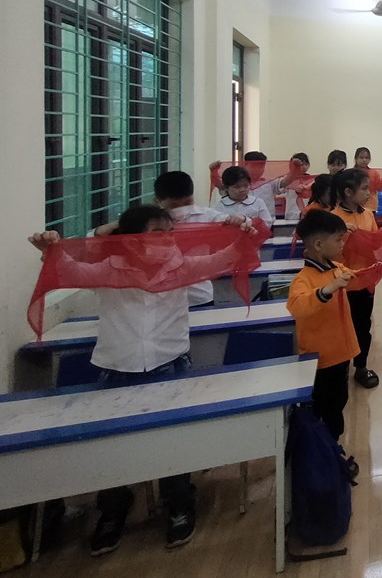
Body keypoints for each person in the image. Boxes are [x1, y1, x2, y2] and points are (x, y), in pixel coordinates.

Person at [27, 206, 252, 555]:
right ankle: (113, 510)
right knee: (113, 447)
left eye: (169, 233)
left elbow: (225, 258)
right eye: (156, 233)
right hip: (118, 368)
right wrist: (52, 250)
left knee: (173, 441)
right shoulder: (110, 268)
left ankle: (178, 503)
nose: (166, 240)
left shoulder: (180, 265)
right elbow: (70, 270)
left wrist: (244, 232)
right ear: (131, 240)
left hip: (171, 364)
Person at [287, 209, 360, 441]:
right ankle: (325, 450)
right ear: (319, 245)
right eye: (338, 239)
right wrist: (328, 290)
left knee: (338, 403)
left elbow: (358, 276)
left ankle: (333, 448)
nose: (342, 244)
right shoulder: (303, 278)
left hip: (341, 353)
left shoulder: (336, 268)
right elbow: (297, 306)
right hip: (321, 360)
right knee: (323, 409)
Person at [154, 170, 247, 307]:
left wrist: (241, 219)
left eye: (188, 202)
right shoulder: (152, 223)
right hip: (164, 298)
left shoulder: (206, 215)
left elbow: (243, 224)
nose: (182, 209)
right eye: (174, 206)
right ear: (158, 201)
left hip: (200, 295)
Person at [330, 168, 381, 390]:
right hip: (341, 285)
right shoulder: (332, 219)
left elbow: (375, 244)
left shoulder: (368, 215)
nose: (369, 193)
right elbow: (327, 256)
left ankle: (361, 366)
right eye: (364, 189)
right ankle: (339, 367)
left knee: (363, 325)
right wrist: (343, 234)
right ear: (348, 192)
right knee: (340, 328)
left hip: (365, 283)